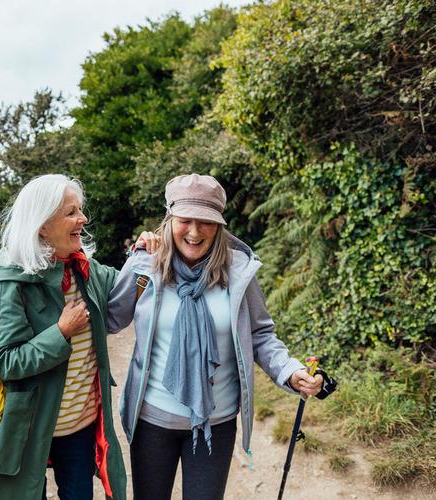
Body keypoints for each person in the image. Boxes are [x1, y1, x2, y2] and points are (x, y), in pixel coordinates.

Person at [107, 173, 324, 500]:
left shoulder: (239, 271)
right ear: (169, 220)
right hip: (152, 422)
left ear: (220, 225)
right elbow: (109, 319)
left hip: (216, 423)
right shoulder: (144, 265)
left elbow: (261, 335)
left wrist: (290, 371)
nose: (194, 232)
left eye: (206, 222)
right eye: (185, 220)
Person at [0, 174, 127, 500]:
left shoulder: (81, 269)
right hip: (30, 429)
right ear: (42, 225)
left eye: (80, 210)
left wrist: (144, 252)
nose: (82, 219)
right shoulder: (10, 283)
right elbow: (6, 361)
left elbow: (127, 284)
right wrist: (60, 333)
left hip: (79, 427)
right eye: (71, 212)